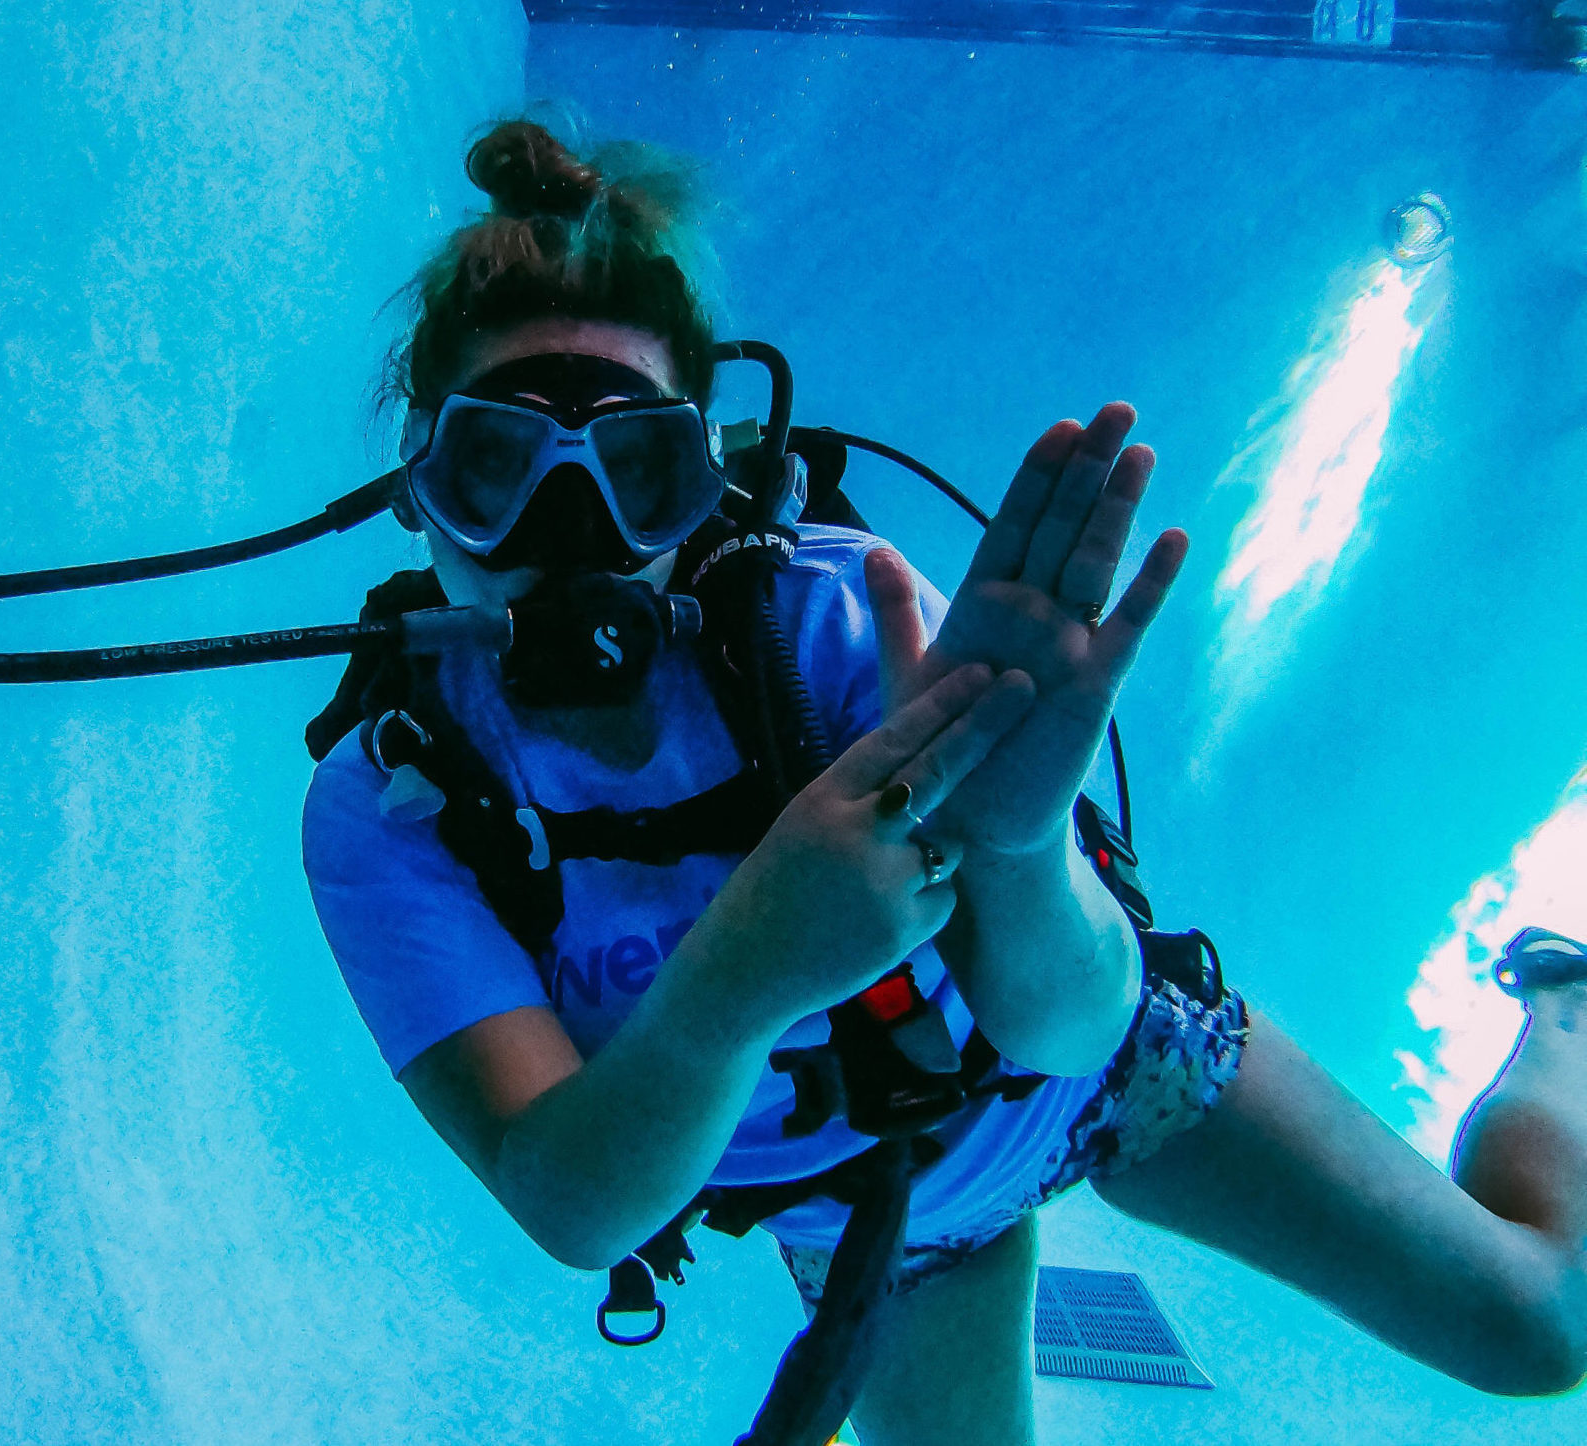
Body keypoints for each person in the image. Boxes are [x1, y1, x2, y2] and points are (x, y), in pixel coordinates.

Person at [302, 120, 1587, 1444]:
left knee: (1539, 1323)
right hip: (888, 1218)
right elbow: (574, 1201)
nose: (568, 544)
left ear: (704, 481)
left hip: (1090, 1074)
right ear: (418, 484)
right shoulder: (400, 802)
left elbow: (1068, 1028)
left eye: (638, 477)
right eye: (496, 470)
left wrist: (1022, 846)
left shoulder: (833, 622)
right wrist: (747, 968)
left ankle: (1562, 1007)